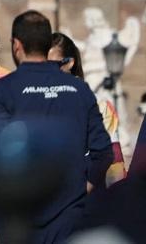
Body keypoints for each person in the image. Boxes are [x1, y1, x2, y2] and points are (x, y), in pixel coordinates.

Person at [0, 11, 112, 243]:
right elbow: (103, 153)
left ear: (16, 45)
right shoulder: (79, 90)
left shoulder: (2, 90)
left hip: (18, 220)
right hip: (69, 219)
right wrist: (79, 192)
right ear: (47, 44)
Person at [49, 32, 126, 187]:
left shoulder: (100, 105)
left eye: (52, 65)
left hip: (88, 201)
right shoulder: (32, 102)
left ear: (70, 63)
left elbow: (114, 167)